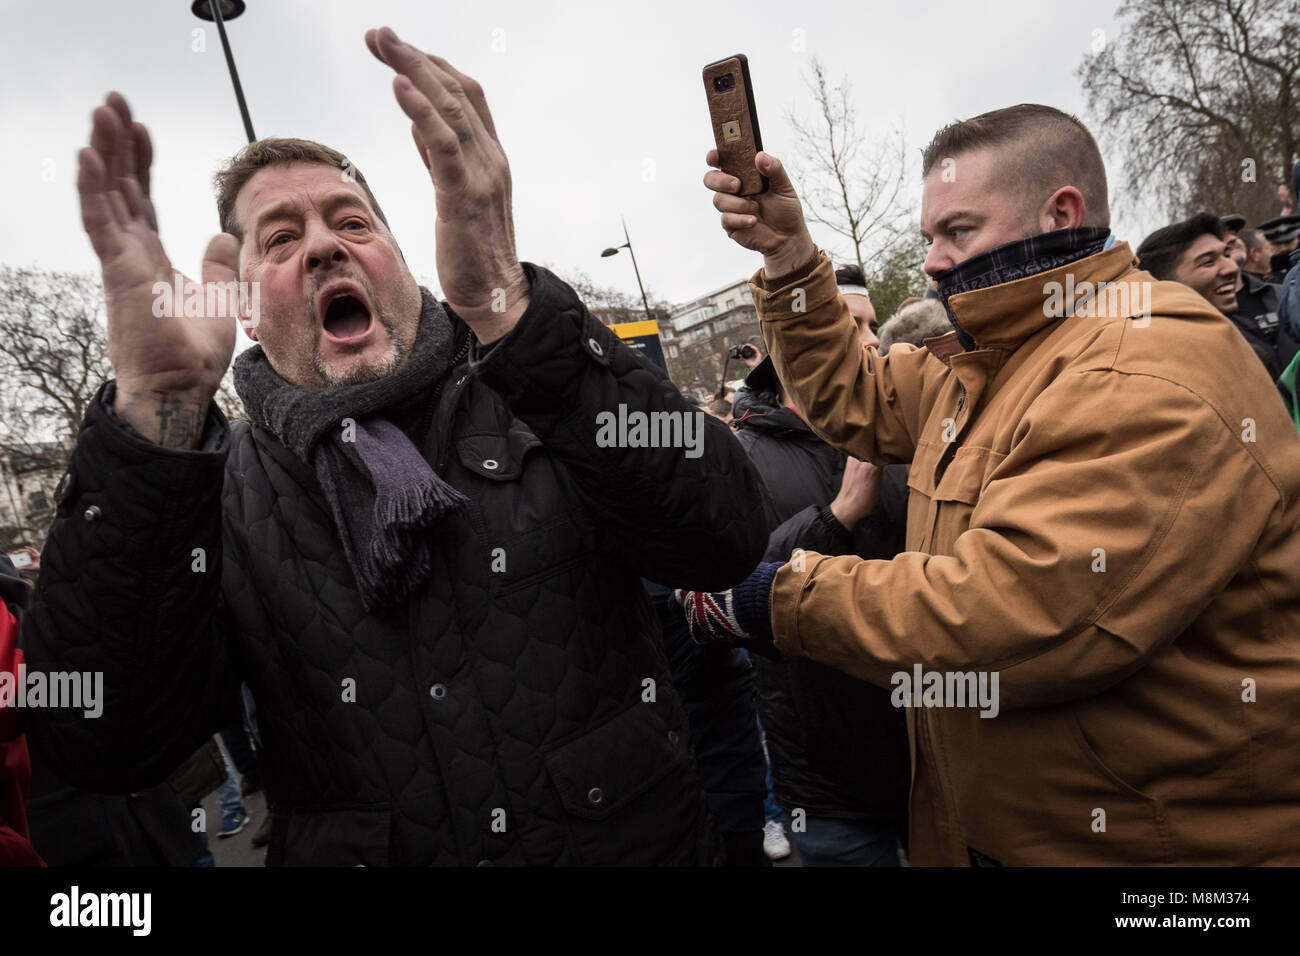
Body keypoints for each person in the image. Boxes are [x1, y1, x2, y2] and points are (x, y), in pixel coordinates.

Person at [23, 28, 766, 866]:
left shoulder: (536, 390)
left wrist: (516, 307)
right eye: (278, 238)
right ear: (243, 309)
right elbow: (102, 741)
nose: (324, 246)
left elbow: (725, 536)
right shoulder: (213, 494)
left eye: (351, 222)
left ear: (402, 261)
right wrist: (154, 423)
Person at [688, 102, 1300, 865]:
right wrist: (787, 256)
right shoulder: (997, 360)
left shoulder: (1142, 365)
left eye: (959, 231)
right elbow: (849, 395)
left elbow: (1012, 615)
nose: (935, 261)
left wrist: (775, 597)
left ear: (1061, 212)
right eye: (929, 239)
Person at [732, 340, 910, 867]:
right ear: (784, 341)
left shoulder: (912, 428)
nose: (871, 338)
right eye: (851, 324)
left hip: (940, 751)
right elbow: (725, 593)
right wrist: (837, 516)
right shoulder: (739, 458)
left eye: (872, 323)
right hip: (827, 778)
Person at [1136, 213, 1298, 381]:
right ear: (1163, 282)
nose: (1232, 268)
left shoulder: (1279, 294)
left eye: (1227, 255)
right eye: (1208, 262)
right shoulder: (1159, 366)